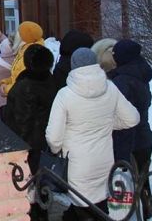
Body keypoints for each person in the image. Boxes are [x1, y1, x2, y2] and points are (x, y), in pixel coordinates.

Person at [45, 48, 139, 220]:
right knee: (99, 207)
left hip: (77, 165)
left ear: (73, 67)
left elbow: (54, 138)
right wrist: (106, 125)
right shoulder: (110, 88)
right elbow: (132, 118)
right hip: (104, 161)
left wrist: (56, 149)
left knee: (81, 207)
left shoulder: (65, 95)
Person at [1, 44, 57, 221]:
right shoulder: (52, 82)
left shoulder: (23, 87)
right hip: (46, 143)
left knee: (27, 185)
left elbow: (21, 120)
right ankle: (42, 213)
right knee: (42, 184)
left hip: (27, 145)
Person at [109, 39, 152, 219]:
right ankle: (148, 210)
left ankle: (124, 214)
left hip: (127, 139)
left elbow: (118, 112)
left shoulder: (122, 81)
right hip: (144, 136)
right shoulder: (141, 74)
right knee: (143, 180)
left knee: (124, 181)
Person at [0, 21, 44, 95]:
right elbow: (16, 76)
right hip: (20, 98)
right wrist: (5, 82)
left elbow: (26, 84)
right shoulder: (23, 52)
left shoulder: (30, 56)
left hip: (25, 102)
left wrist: (7, 89)